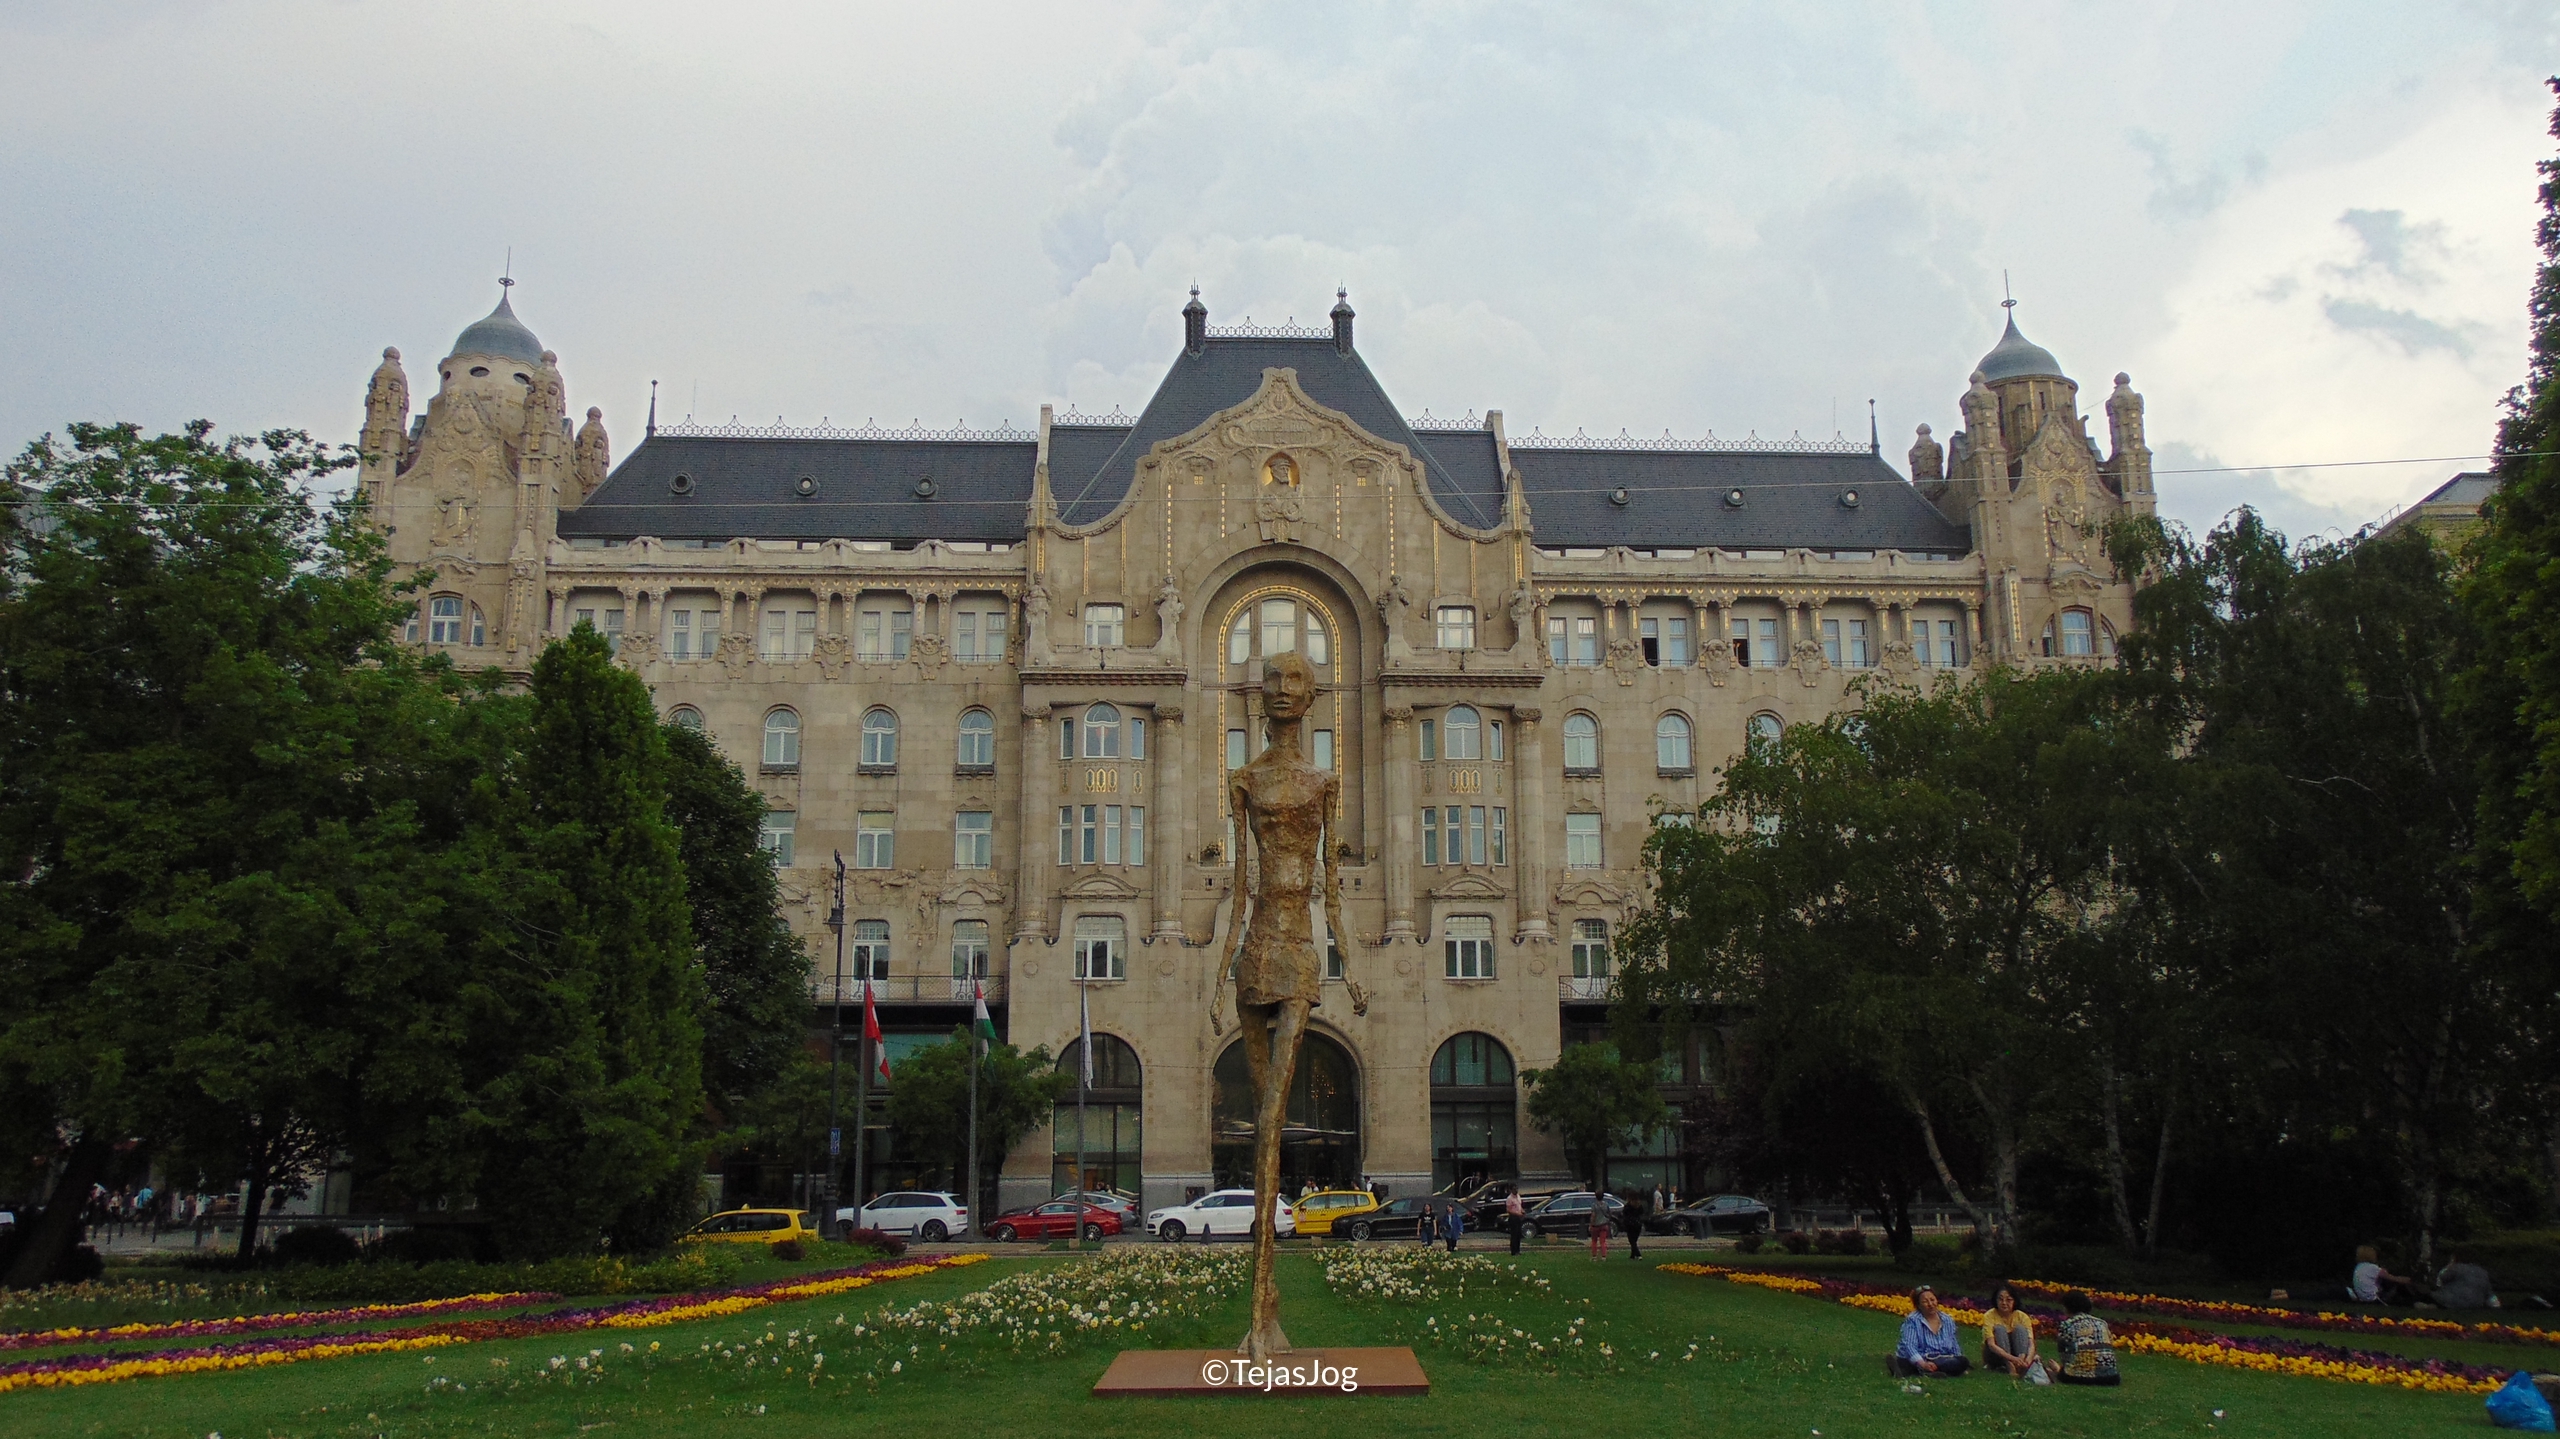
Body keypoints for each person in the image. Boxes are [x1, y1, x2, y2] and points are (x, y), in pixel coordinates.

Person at [1891, 1285, 1970, 1377]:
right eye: (1925, 1302)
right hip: (1920, 1358)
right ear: (1919, 1306)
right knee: (1908, 1362)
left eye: (1932, 1300)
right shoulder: (1913, 1320)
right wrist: (1923, 1363)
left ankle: (1928, 1371)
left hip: (1940, 1359)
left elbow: (1954, 1345)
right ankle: (1923, 1369)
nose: (1930, 1304)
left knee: (1963, 1361)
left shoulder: (1947, 1320)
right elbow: (1910, 1346)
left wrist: (1959, 1360)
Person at [2049, 1291, 2120, 1386]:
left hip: (2079, 1378)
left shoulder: (2068, 1325)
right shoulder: (2102, 1323)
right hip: (2111, 1378)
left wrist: (2061, 1370)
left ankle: (2057, 1370)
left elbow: (2065, 1355)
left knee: (2060, 1372)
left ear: (2067, 1307)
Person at [1981, 1283, 2037, 1377]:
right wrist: (2012, 1359)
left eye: (2008, 1300)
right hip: (1995, 1355)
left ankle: (2021, 1364)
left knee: (2020, 1329)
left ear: (2014, 1301)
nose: (2004, 1303)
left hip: (2017, 1354)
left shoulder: (2022, 1316)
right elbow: (1991, 1344)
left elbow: (2031, 1343)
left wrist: (2028, 1359)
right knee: (1999, 1329)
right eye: (2000, 1299)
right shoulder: (1989, 1315)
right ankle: (2010, 1366)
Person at [2350, 1245, 2421, 1305]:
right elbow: (2393, 1278)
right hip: (2373, 1298)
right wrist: (2409, 1280)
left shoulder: (2358, 1267)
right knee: (2396, 1285)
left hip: (2361, 1298)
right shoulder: (2373, 1268)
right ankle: (2414, 1301)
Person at [1621, 1190, 1647, 1260]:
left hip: (1630, 1225)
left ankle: (1638, 1254)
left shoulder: (1628, 1206)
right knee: (1634, 1240)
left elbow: (1625, 1214)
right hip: (1638, 1224)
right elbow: (1642, 1213)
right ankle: (1632, 1255)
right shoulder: (1639, 1206)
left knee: (1632, 1241)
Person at [1505, 1189, 1526, 1256]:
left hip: (1519, 1217)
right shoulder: (1509, 1198)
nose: (1516, 1190)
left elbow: (1519, 1206)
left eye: (1516, 1189)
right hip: (1513, 1217)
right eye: (1514, 1189)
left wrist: (1522, 1211)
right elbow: (1508, 1210)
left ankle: (1518, 1250)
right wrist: (1517, 1214)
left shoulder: (1518, 1196)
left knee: (1518, 1234)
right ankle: (1513, 1251)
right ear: (1511, 1190)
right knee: (1514, 1234)